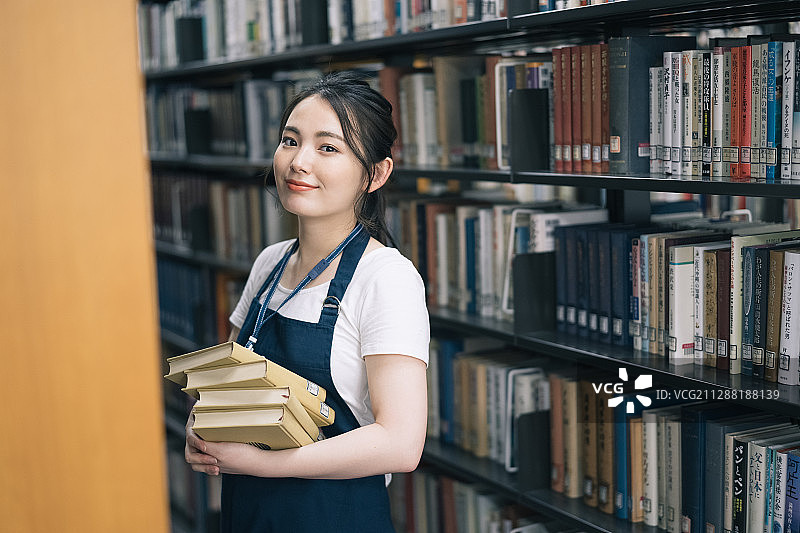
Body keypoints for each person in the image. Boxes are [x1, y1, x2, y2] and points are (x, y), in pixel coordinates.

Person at [184, 71, 430, 532]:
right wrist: (200, 431)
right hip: (249, 514)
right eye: (289, 140)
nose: (298, 162)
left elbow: (401, 443)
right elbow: (226, 390)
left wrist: (264, 464)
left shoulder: (387, 279)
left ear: (375, 174)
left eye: (328, 147)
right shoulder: (270, 263)